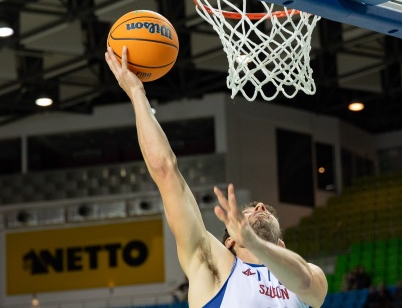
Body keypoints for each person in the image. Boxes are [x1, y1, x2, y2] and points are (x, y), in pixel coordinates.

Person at [105, 46, 327, 307]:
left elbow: (305, 282)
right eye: (248, 211)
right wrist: (136, 93)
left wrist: (256, 245)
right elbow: (165, 171)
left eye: (262, 209)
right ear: (230, 240)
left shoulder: (308, 276)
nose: (260, 206)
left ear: (281, 244)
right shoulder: (213, 265)